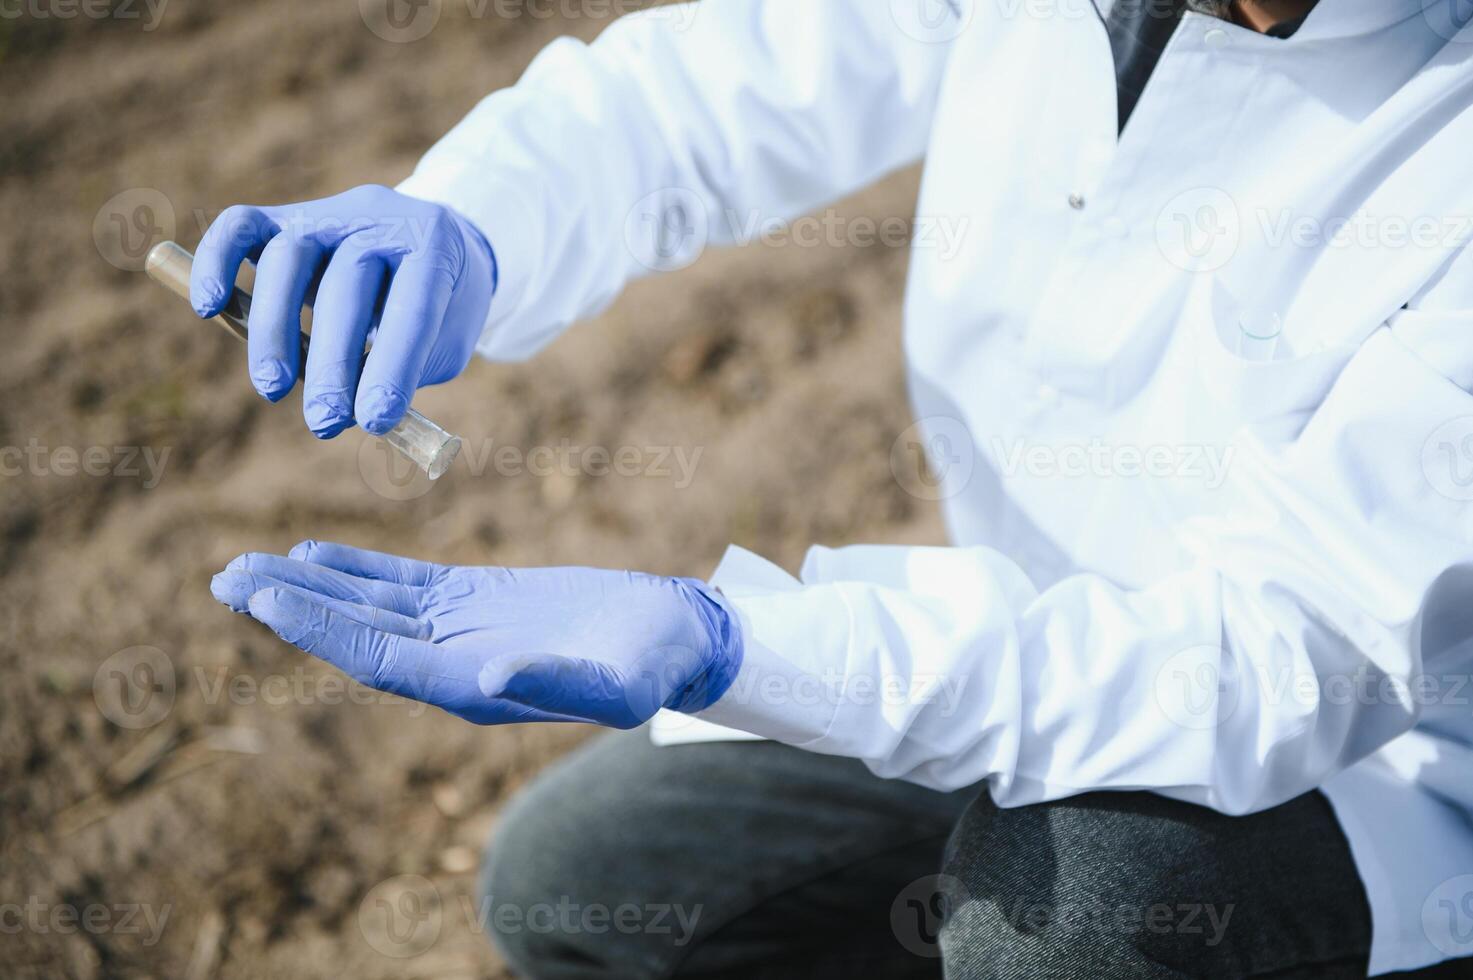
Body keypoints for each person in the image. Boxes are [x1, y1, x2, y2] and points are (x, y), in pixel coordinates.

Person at [203, 0, 1473, 975]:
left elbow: (1272, 657)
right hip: (1030, 638)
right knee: (585, 878)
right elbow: (710, 91)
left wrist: (741, 646)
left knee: (1073, 919)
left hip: (1377, 761)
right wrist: (475, 225)